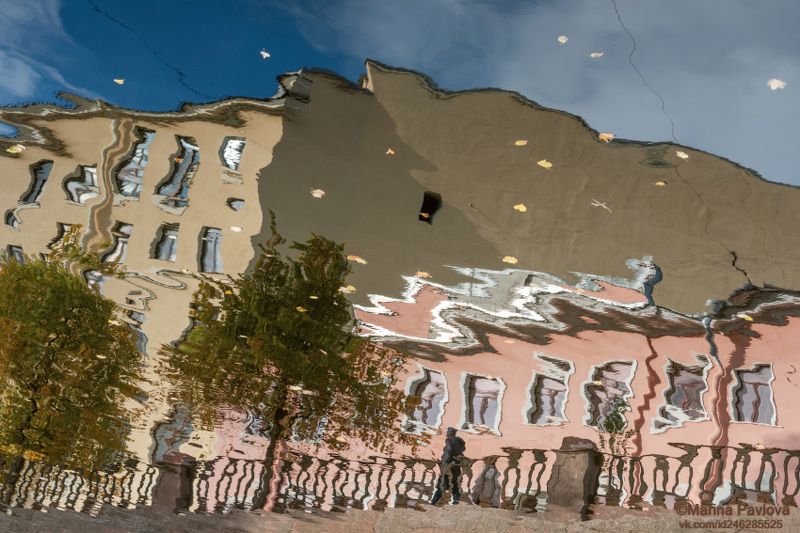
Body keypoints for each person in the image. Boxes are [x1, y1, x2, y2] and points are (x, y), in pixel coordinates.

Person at [429, 427, 466, 505]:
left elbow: (448, 452)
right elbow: (461, 452)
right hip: (456, 467)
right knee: (455, 485)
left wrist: (444, 463)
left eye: (448, 432)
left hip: (448, 466)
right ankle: (456, 502)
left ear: (450, 433)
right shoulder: (460, 443)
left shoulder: (449, 440)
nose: (447, 433)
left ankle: (433, 503)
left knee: (441, 485)